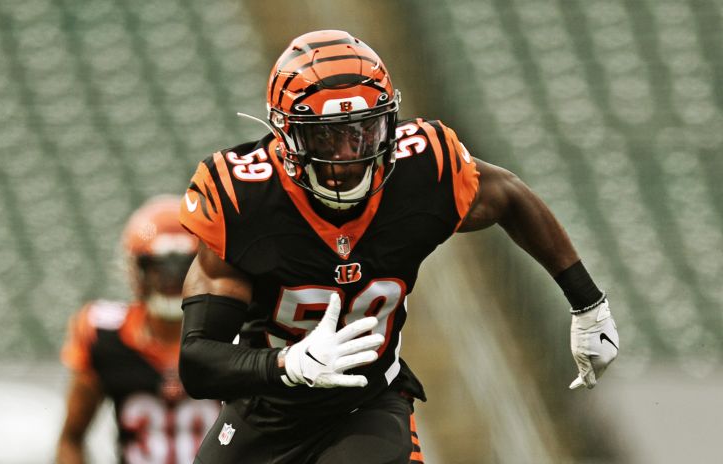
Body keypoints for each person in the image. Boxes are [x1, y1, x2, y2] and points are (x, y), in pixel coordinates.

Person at [177, 30, 619, 464]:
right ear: (287, 136)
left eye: (363, 132)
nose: (348, 156)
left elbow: (509, 196)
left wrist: (587, 304)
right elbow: (198, 360)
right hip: (264, 412)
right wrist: (286, 364)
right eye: (326, 137)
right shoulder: (243, 200)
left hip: (365, 406)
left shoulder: (422, 169)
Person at [56, 195, 220, 464]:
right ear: (138, 270)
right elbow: (71, 439)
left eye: (182, 268)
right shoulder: (104, 335)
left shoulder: (236, 335)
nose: (172, 279)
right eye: (159, 268)